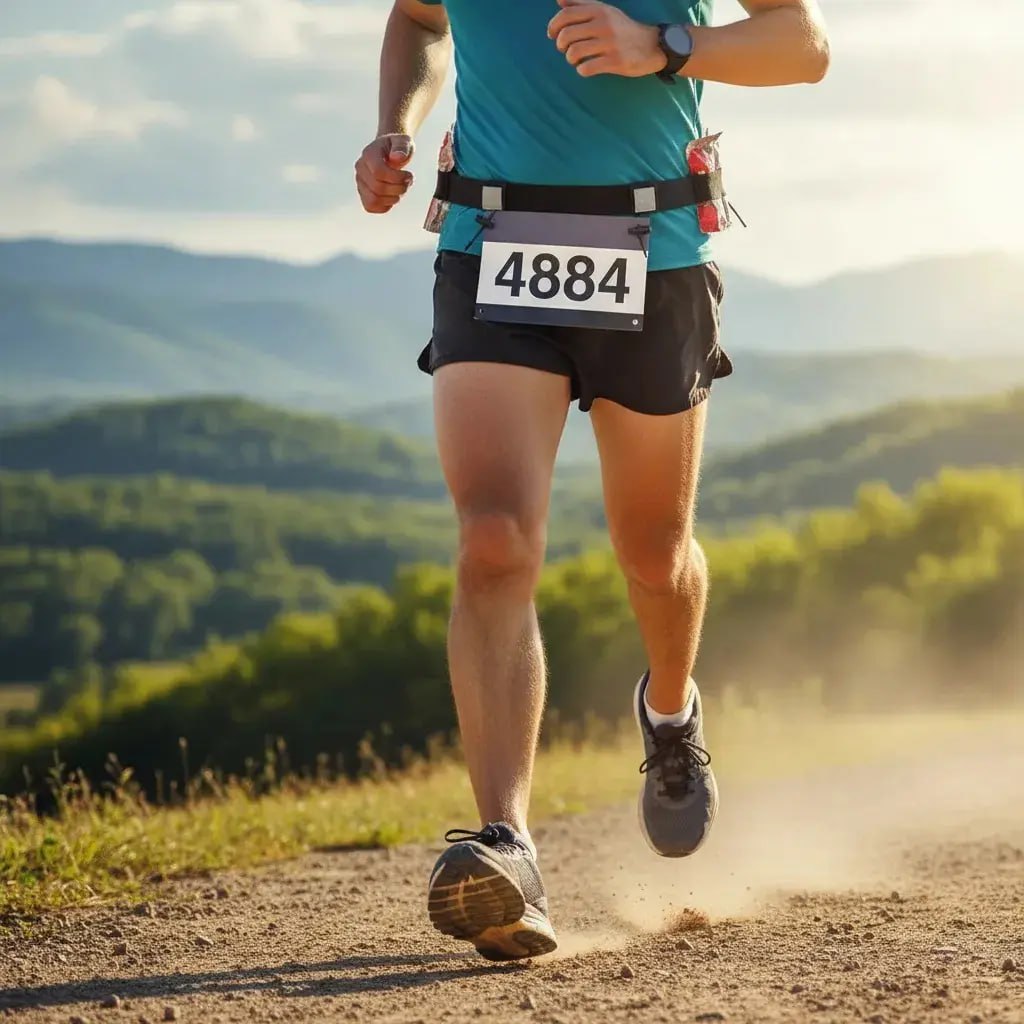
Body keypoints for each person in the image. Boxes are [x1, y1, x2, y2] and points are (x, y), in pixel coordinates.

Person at [355, 0, 829, 961]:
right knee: (494, 539)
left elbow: (804, 47)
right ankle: (507, 846)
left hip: (655, 254)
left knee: (653, 555)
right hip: (490, 244)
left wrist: (667, 48)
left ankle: (670, 710)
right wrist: (392, 130)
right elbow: (416, 21)